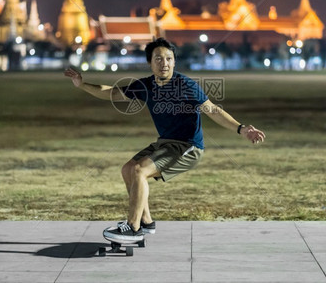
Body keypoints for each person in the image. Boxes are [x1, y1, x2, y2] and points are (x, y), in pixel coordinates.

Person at [64, 38, 265, 242]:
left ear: (174, 62)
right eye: (158, 59)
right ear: (150, 63)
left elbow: (212, 109)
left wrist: (241, 129)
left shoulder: (185, 85)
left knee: (139, 171)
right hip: (165, 143)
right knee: (128, 170)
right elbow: (112, 93)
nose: (164, 63)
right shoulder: (146, 85)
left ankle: (132, 228)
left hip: (188, 146)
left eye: (169, 58)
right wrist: (82, 84)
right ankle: (146, 223)